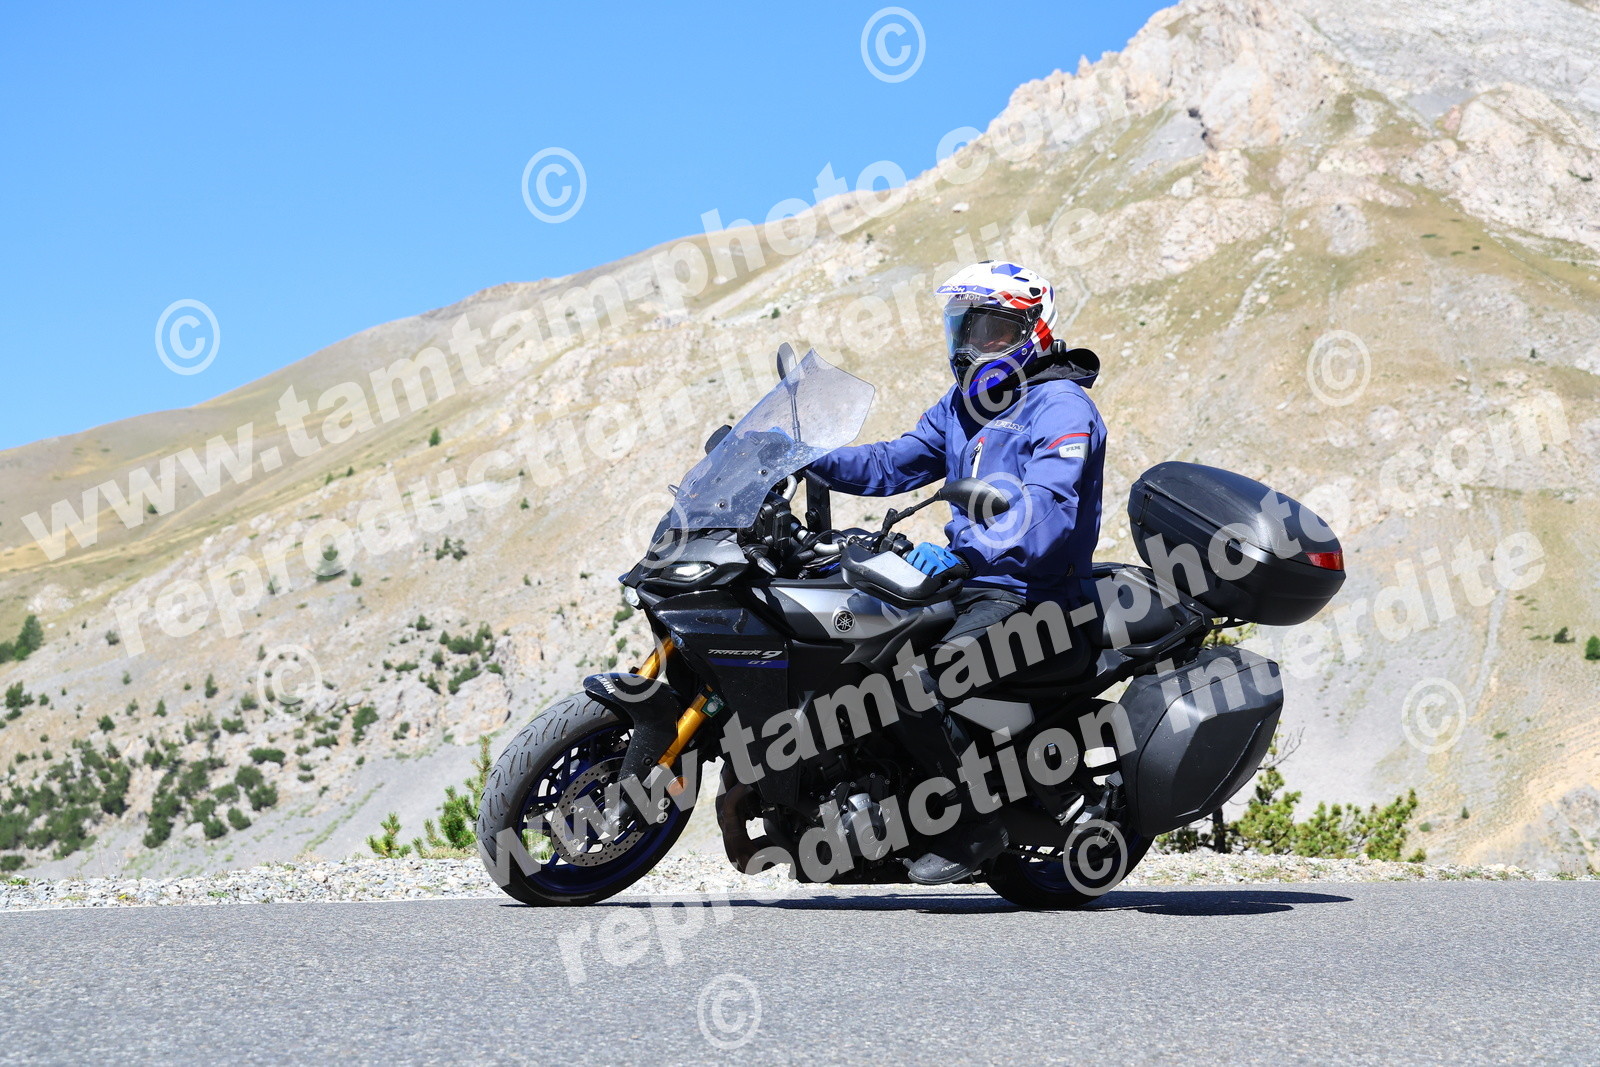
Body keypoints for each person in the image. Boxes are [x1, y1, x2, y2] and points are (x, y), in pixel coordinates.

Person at [807, 261, 1106, 884]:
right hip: (973, 587)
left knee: (916, 683)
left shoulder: (1060, 407)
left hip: (1036, 597)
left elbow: (1047, 514)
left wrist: (965, 550)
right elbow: (893, 462)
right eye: (963, 329)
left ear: (1034, 330)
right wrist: (804, 456)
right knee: (858, 651)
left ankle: (973, 826)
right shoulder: (964, 405)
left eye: (991, 330)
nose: (972, 345)